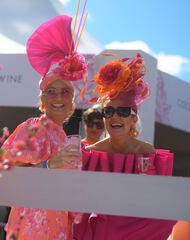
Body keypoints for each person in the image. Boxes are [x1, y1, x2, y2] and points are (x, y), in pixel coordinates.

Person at [2, 14, 88, 240]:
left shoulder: (64, 137)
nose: (58, 97)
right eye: (51, 91)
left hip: (59, 226)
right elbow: (4, 172)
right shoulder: (33, 128)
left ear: (72, 101)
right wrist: (48, 165)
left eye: (65, 91)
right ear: (42, 99)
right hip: (32, 227)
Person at [73, 54, 176, 240]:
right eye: (109, 111)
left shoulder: (147, 153)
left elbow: (159, 201)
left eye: (123, 112)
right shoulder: (91, 153)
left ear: (133, 119)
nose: (115, 117)